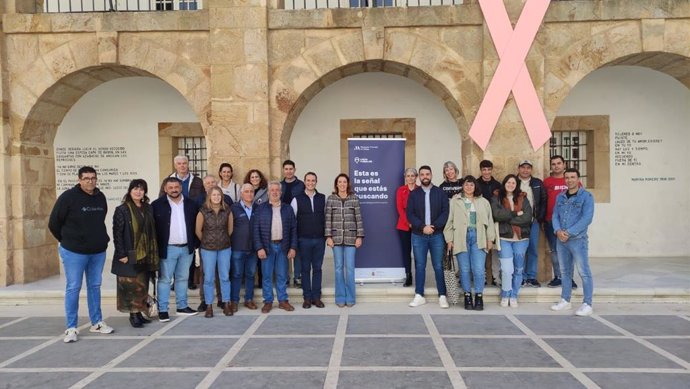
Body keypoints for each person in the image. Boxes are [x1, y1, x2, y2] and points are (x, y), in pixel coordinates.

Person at [49, 166, 113, 343]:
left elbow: (101, 218)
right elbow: (54, 222)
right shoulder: (68, 197)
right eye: (86, 178)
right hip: (74, 252)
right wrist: (68, 240)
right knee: (73, 287)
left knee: (94, 286)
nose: (90, 181)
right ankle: (71, 327)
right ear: (79, 179)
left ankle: (97, 322)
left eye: (93, 178)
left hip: (97, 252)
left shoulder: (100, 197)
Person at [111, 179, 159, 328]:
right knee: (131, 284)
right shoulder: (123, 209)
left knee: (142, 283)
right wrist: (121, 254)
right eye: (135, 189)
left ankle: (139, 311)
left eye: (141, 189)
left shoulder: (148, 208)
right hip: (130, 252)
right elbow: (117, 233)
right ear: (130, 191)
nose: (138, 192)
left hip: (146, 252)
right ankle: (133, 315)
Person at [152, 177, 199, 321]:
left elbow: (196, 225)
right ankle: (163, 310)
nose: (174, 190)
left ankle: (182, 306)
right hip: (168, 248)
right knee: (165, 279)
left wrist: (195, 244)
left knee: (183, 278)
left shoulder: (191, 204)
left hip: (186, 248)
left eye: (176, 187)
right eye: (170, 187)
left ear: (181, 188)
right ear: (165, 189)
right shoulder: (156, 205)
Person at [444, 175, 495, 311]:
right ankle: (467, 295)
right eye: (466, 184)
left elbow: (489, 222)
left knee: (478, 269)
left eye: (471, 185)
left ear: (475, 186)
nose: (469, 187)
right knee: (465, 269)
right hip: (461, 237)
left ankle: (478, 295)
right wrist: (449, 239)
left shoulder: (483, 202)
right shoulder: (456, 201)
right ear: (463, 186)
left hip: (479, 237)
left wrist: (490, 239)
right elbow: (449, 221)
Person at [550, 168, 595, 316]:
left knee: (584, 272)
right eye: (567, 178)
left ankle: (587, 303)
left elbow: (586, 219)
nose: (569, 180)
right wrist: (557, 231)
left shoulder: (586, 197)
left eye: (572, 177)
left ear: (578, 179)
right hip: (561, 240)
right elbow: (555, 215)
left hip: (577, 240)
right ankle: (565, 300)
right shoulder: (560, 197)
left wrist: (568, 233)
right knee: (565, 272)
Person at [407, 166, 450, 309]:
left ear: (431, 175)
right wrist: (422, 227)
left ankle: (442, 295)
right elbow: (410, 214)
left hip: (437, 235)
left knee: (438, 265)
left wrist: (433, 226)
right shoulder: (414, 194)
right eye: (422, 174)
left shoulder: (440, 193)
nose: (425, 176)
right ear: (419, 176)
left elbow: (445, 212)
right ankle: (419, 295)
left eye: (427, 174)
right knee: (419, 265)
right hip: (419, 235)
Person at [253, 181, 298, 313]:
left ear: (280, 192)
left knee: (282, 275)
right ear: (268, 193)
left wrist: (293, 247)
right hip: (267, 247)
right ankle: (268, 301)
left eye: (277, 190)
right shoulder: (261, 209)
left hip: (283, 246)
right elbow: (256, 230)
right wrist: (259, 247)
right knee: (266, 276)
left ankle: (283, 300)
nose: (274, 192)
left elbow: (294, 229)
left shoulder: (287, 209)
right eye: (272, 190)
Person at [491, 175, 532, 308]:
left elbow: (527, 217)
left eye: (513, 182)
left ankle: (514, 294)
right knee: (507, 270)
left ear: (517, 184)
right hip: (504, 238)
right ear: (504, 183)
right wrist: (515, 213)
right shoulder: (497, 197)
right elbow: (497, 214)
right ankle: (505, 294)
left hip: (521, 238)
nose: (511, 184)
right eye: (508, 182)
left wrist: (507, 218)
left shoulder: (523, 197)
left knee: (518, 269)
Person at [325, 174, 364, 308]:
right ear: (336, 184)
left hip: (351, 239)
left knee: (350, 269)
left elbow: (359, 219)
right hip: (335, 239)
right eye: (339, 182)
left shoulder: (354, 198)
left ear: (348, 184)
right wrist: (328, 236)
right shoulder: (331, 199)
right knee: (338, 268)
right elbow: (327, 219)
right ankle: (340, 297)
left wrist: (359, 236)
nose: (342, 184)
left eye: (344, 182)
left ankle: (351, 297)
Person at [195, 174, 233, 311]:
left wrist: (221, 239)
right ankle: (209, 304)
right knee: (209, 278)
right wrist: (207, 240)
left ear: (221, 196)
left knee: (224, 277)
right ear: (209, 196)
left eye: (218, 195)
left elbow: (230, 229)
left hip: (224, 248)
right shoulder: (203, 211)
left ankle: (227, 303)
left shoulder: (227, 210)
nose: (216, 197)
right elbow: (198, 230)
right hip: (208, 249)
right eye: (214, 195)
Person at [291, 172, 326, 308]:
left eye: (313, 180)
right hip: (303, 240)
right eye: (308, 180)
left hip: (319, 240)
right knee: (305, 269)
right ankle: (307, 298)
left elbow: (326, 219)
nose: (310, 183)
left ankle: (316, 297)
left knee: (317, 269)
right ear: (304, 182)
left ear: (316, 182)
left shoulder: (322, 198)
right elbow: (293, 223)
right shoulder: (296, 199)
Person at [543, 155, 578, 289]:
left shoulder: (571, 180)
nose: (556, 166)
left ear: (564, 164)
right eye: (553, 164)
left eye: (559, 163)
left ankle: (569, 278)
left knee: (570, 251)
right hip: (550, 221)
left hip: (570, 224)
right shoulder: (547, 182)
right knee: (554, 250)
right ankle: (558, 277)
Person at [516, 160, 546, 288]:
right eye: (523, 167)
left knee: (533, 249)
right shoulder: (513, 181)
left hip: (533, 222)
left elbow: (544, 200)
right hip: (517, 222)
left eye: (528, 167)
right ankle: (521, 276)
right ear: (518, 168)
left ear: (531, 169)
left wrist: (539, 217)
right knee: (520, 250)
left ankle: (531, 277)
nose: (525, 170)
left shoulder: (537, 183)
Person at [229, 184, 259, 312]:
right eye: (246, 191)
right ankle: (234, 301)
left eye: (251, 191)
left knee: (251, 275)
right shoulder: (233, 208)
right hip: (238, 247)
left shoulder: (258, 208)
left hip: (253, 248)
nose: (249, 194)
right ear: (241, 194)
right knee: (236, 275)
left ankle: (249, 300)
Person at [476, 159, 502, 287]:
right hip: (479, 221)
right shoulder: (476, 183)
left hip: (495, 220)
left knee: (495, 250)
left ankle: (496, 276)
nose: (486, 172)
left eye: (488, 169)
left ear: (492, 170)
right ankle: (483, 276)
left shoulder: (497, 184)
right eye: (484, 170)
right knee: (481, 249)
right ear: (481, 171)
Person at [281, 160, 305, 288]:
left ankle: (298, 277)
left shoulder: (301, 185)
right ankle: (285, 277)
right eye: (286, 169)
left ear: (295, 170)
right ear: (283, 170)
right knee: (284, 249)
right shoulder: (279, 185)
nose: (289, 171)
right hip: (283, 222)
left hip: (299, 222)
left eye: (291, 169)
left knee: (297, 250)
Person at [395, 168, 419, 287]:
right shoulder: (401, 190)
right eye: (408, 176)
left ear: (416, 177)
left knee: (418, 252)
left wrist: (415, 223)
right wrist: (408, 222)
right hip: (403, 226)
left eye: (412, 175)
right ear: (405, 177)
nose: (410, 178)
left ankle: (419, 275)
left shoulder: (420, 190)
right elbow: (399, 208)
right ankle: (408, 275)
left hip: (418, 226)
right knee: (406, 251)